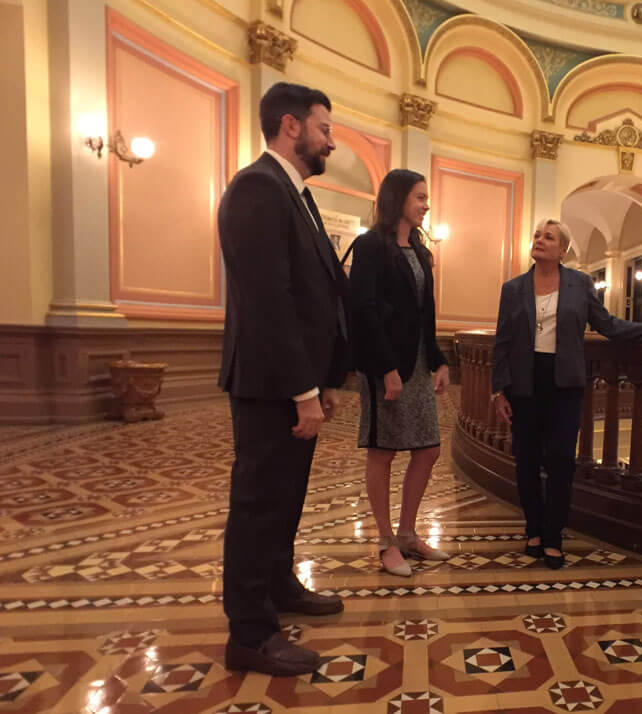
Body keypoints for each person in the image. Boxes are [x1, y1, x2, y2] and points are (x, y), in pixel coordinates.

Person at [218, 82, 350, 676]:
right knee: (257, 504)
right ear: (292, 126)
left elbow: (316, 294)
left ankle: (277, 585)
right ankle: (249, 632)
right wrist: (302, 387)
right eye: (325, 128)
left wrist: (324, 379)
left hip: (295, 382)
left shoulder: (295, 194)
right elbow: (269, 300)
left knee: (284, 499)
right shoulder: (257, 188)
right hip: (271, 385)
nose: (331, 140)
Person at [491, 220, 642, 569]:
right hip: (525, 385)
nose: (540, 241)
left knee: (561, 460)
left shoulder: (580, 284)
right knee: (528, 460)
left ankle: (553, 535)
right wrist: (498, 391)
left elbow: (607, 324)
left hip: (565, 385)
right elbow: (502, 342)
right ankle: (533, 529)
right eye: (537, 236)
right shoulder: (513, 288)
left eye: (549, 237)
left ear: (563, 249)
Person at [350, 170, 450, 577]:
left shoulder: (420, 250)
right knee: (384, 451)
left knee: (428, 448)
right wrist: (386, 368)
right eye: (420, 197)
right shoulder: (371, 245)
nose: (426, 204)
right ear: (398, 199)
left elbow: (425, 313)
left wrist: (440, 360)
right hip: (385, 366)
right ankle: (385, 541)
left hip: (419, 364)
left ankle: (408, 533)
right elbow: (364, 311)